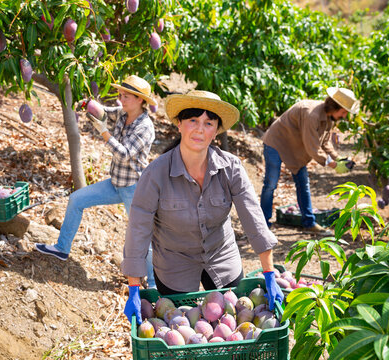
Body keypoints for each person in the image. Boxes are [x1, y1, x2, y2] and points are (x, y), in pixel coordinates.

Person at [121, 90, 284, 324]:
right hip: (174, 261)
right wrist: (134, 288)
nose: (200, 129)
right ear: (179, 124)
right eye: (193, 121)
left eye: (209, 123)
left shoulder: (231, 168)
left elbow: (254, 219)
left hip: (221, 254)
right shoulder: (156, 174)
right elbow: (138, 228)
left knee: (231, 322)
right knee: (181, 325)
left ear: (216, 130)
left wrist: (269, 274)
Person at [35, 75, 156, 289]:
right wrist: (89, 106)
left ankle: (155, 284)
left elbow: (124, 155)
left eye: (126, 96)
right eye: (120, 94)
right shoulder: (124, 112)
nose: (121, 99)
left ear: (140, 100)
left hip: (134, 189)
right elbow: (107, 112)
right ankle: (62, 248)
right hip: (116, 183)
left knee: (141, 235)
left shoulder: (145, 127)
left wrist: (104, 132)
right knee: (76, 199)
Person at [260, 87, 359, 235]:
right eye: (344, 112)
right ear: (335, 107)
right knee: (270, 184)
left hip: (295, 147)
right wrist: (331, 164)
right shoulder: (311, 114)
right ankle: (263, 224)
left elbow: (325, 142)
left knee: (303, 184)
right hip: (277, 143)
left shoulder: (328, 119)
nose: (344, 116)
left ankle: (309, 223)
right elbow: (312, 147)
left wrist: (339, 158)